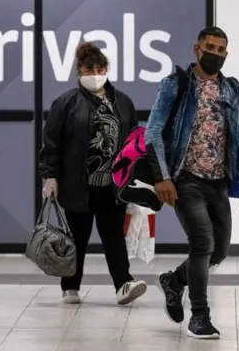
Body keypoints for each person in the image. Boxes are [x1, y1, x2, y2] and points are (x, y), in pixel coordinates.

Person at [144, 26, 239, 339]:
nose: (216, 54)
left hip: (219, 181)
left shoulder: (232, 89)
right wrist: (163, 177)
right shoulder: (177, 84)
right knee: (202, 243)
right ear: (197, 48)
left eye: (221, 50)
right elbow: (152, 132)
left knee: (218, 252)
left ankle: (174, 281)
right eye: (210, 47)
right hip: (185, 178)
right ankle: (200, 316)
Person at [39, 42, 147, 306]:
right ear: (79, 71)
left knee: (113, 236)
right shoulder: (65, 103)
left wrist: (136, 179)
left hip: (113, 184)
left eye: (100, 68)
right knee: (77, 237)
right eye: (90, 69)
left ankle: (123, 285)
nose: (96, 73)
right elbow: (52, 143)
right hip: (78, 183)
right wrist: (50, 176)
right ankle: (70, 287)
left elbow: (134, 142)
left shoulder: (122, 102)